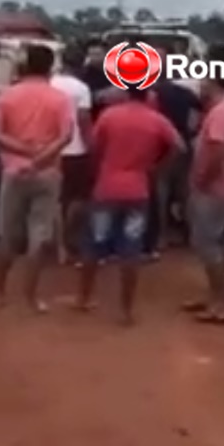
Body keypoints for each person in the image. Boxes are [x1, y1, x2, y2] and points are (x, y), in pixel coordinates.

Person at [0, 44, 72, 312]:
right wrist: (41, 158)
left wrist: (22, 151)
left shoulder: (7, 97)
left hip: (14, 171)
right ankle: (32, 297)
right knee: (39, 235)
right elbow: (66, 136)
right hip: (48, 171)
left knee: (7, 234)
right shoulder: (59, 99)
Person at [75, 85, 181, 325]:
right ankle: (126, 309)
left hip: (107, 188)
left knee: (94, 244)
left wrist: (99, 168)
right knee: (130, 250)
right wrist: (157, 167)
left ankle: (83, 297)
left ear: (125, 93)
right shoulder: (157, 120)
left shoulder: (110, 115)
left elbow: (94, 148)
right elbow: (179, 146)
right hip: (138, 190)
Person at [182, 75, 224, 325]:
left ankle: (221, 304)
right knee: (208, 243)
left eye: (203, 81)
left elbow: (217, 151)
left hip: (214, 187)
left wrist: (202, 179)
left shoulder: (222, 112)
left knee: (208, 244)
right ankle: (213, 297)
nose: (200, 86)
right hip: (218, 185)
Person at [147, 69, 201, 253]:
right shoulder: (185, 93)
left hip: (162, 147)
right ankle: (192, 234)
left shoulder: (153, 95)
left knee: (161, 192)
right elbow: (198, 113)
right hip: (184, 144)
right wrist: (192, 132)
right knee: (185, 191)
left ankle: (162, 235)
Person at [51, 47, 95, 264]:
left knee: (56, 200)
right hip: (76, 149)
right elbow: (84, 120)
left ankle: (58, 245)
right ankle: (68, 237)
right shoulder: (81, 89)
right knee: (78, 198)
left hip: (51, 149)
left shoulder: (50, 84)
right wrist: (92, 147)